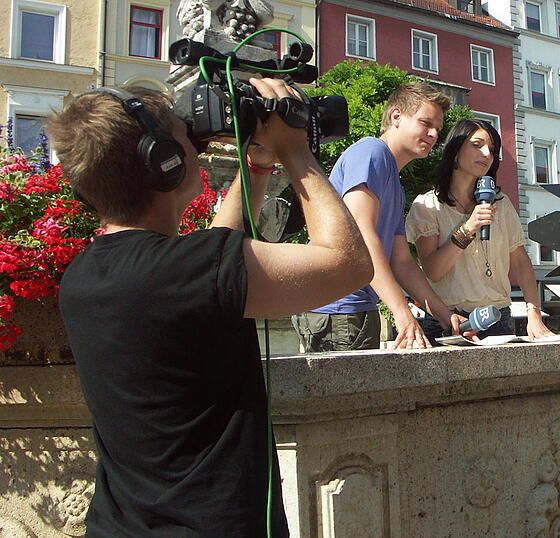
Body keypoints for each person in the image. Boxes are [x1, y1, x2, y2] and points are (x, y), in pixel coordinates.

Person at [50, 80, 372, 535]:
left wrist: (258, 166)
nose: (196, 149)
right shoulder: (187, 270)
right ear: (160, 161)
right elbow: (350, 266)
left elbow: (216, 258)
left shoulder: (84, 276)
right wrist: (294, 149)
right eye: (186, 138)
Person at [292, 82, 467, 351]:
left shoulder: (392, 180)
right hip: (338, 307)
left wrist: (446, 316)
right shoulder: (372, 153)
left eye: (438, 129)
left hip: (353, 308)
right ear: (396, 117)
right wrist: (401, 311)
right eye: (425, 123)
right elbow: (361, 235)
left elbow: (402, 261)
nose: (433, 134)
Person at [405, 118, 554, 340]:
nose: (486, 154)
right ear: (455, 151)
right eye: (477, 145)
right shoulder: (428, 206)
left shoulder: (500, 203)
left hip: (497, 318)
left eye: (492, 149)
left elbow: (521, 261)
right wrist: (469, 227)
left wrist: (534, 314)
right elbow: (433, 271)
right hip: (449, 321)